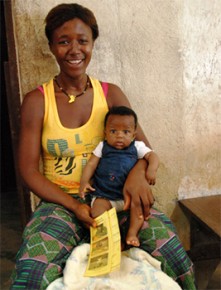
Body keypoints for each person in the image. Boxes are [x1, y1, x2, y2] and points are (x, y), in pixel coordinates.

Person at [11, 3, 196, 289]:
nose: (74, 50)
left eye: (83, 41)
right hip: (61, 202)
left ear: (92, 43)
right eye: (63, 41)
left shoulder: (110, 94)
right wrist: (74, 205)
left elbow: (143, 150)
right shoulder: (37, 101)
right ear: (51, 46)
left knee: (175, 257)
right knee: (31, 273)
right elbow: (28, 171)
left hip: (118, 198)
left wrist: (136, 177)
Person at [79, 106, 159, 247]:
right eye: (113, 131)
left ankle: (132, 233)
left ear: (134, 135)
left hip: (128, 197)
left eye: (126, 131)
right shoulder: (102, 146)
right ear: (105, 133)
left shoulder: (138, 146)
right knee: (97, 212)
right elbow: (91, 164)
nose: (119, 135)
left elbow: (153, 156)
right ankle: (112, 241)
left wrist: (151, 170)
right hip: (105, 196)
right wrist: (84, 182)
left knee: (138, 211)